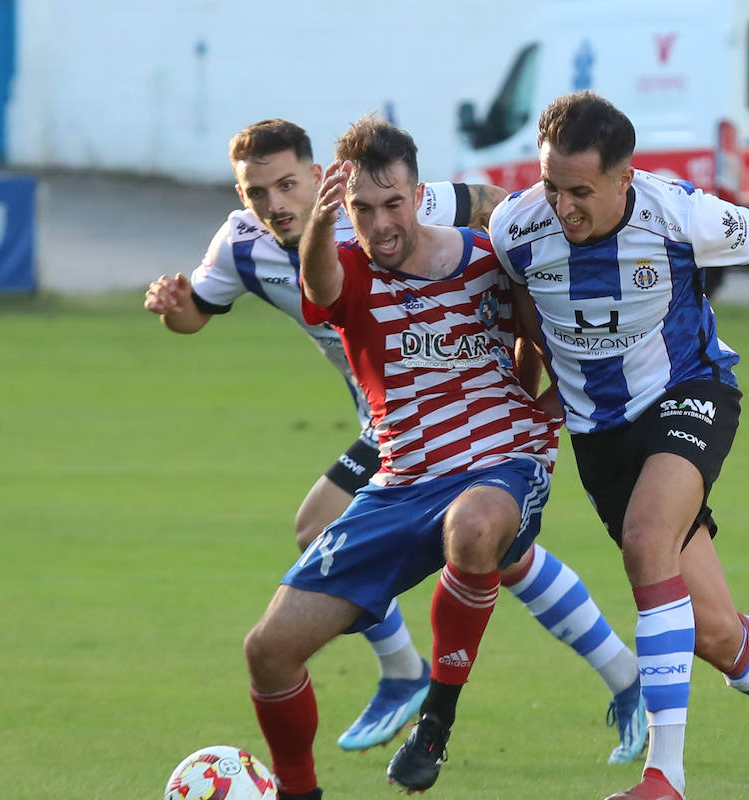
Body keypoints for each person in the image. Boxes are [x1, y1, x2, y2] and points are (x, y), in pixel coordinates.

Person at [144, 119, 646, 766]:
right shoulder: (247, 244)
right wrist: (172, 302)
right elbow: (201, 313)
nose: (276, 203)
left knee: (473, 538)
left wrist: (526, 247)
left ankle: (421, 675)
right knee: (480, 548)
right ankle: (432, 670)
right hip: (391, 426)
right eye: (257, 191)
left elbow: (498, 211)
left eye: (288, 183)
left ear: (317, 176)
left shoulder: (405, 204)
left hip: (461, 420)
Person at [489, 91, 749, 800]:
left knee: (649, 539)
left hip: (689, 394)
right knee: (710, 632)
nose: (562, 206)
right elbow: (529, 321)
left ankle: (665, 779)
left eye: (580, 191)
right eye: (551, 185)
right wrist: (534, 401)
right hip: (600, 439)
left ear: (625, 179)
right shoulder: (517, 229)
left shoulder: (679, 215)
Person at [242, 116, 567, 800]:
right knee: (268, 651)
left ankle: (436, 722)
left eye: (393, 204)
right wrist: (322, 227)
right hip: (399, 483)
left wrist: (547, 416)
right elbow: (321, 283)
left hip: (499, 464)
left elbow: (543, 338)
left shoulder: (487, 257)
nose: (381, 223)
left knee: (476, 525)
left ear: (419, 194)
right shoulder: (346, 263)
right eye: (363, 209)